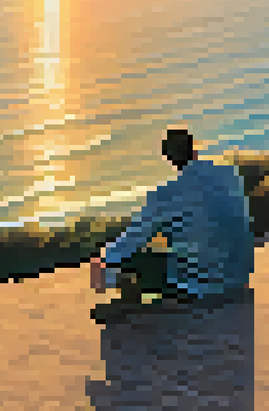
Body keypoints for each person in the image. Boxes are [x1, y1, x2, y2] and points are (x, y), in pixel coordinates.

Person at [90, 127, 253, 324]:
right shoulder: (230, 173)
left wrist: (103, 259)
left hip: (204, 285)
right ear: (194, 149)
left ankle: (132, 294)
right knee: (183, 235)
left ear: (169, 159)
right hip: (240, 275)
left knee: (132, 258)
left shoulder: (166, 194)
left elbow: (133, 238)